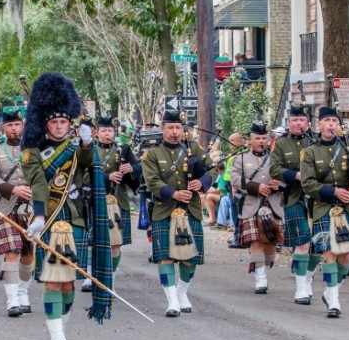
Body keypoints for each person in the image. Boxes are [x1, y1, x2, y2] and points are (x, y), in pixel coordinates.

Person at [21, 72, 113, 340]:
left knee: (69, 281)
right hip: (48, 219)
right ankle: (57, 336)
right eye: (54, 122)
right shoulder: (32, 152)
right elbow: (38, 184)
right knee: (52, 278)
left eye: (63, 122)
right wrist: (38, 217)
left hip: (74, 218)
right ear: (45, 124)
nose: (60, 126)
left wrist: (86, 144)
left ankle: (61, 325)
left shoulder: (76, 148)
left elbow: (88, 162)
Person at [301, 107, 349, 318]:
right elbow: (307, 183)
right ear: (319, 125)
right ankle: (333, 299)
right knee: (329, 253)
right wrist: (333, 192)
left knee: (346, 256)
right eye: (327, 121)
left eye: (334, 121)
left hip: (348, 207)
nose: (331, 124)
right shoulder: (310, 152)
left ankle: (331, 291)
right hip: (324, 207)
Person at [142, 110, 215, 317]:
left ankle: (182, 292)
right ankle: (172, 300)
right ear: (162, 129)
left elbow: (212, 169)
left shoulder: (194, 148)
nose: (175, 132)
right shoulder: (152, 153)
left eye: (177, 128)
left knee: (190, 258)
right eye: (170, 128)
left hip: (190, 209)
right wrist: (173, 193)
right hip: (164, 210)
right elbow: (152, 181)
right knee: (165, 257)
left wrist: (201, 181)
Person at [0, 109, 34, 317]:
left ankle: (23, 292)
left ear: (22, 126)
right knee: (12, 251)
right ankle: (12, 300)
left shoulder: (33, 149)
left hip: (31, 209)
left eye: (17, 124)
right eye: (10, 125)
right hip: (6, 207)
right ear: (3, 128)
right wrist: (13, 189)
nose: (14, 128)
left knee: (28, 254)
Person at [82, 114, 141, 291]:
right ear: (96, 132)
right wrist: (107, 177)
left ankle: (111, 281)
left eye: (110, 130)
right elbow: (84, 176)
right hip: (95, 201)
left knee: (115, 244)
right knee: (92, 242)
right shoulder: (89, 150)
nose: (107, 134)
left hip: (118, 202)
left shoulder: (122, 150)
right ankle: (89, 277)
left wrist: (131, 169)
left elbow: (138, 170)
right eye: (103, 131)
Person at [270, 105, 318, 304]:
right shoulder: (281, 144)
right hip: (294, 197)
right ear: (289, 122)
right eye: (295, 120)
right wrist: (296, 175)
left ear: (308, 122)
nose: (299, 124)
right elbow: (274, 169)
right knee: (303, 242)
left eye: (302, 120)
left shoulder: (316, 141)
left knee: (317, 246)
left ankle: (307, 279)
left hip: (318, 199)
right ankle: (300, 289)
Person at [230, 120, 283, 294]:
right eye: (257, 138)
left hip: (273, 204)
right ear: (250, 140)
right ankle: (260, 277)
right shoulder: (241, 158)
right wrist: (256, 187)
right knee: (256, 242)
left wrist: (280, 184)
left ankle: (263, 267)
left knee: (271, 244)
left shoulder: (276, 158)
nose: (261, 141)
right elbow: (235, 179)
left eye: (263, 138)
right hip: (251, 204)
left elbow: (286, 176)